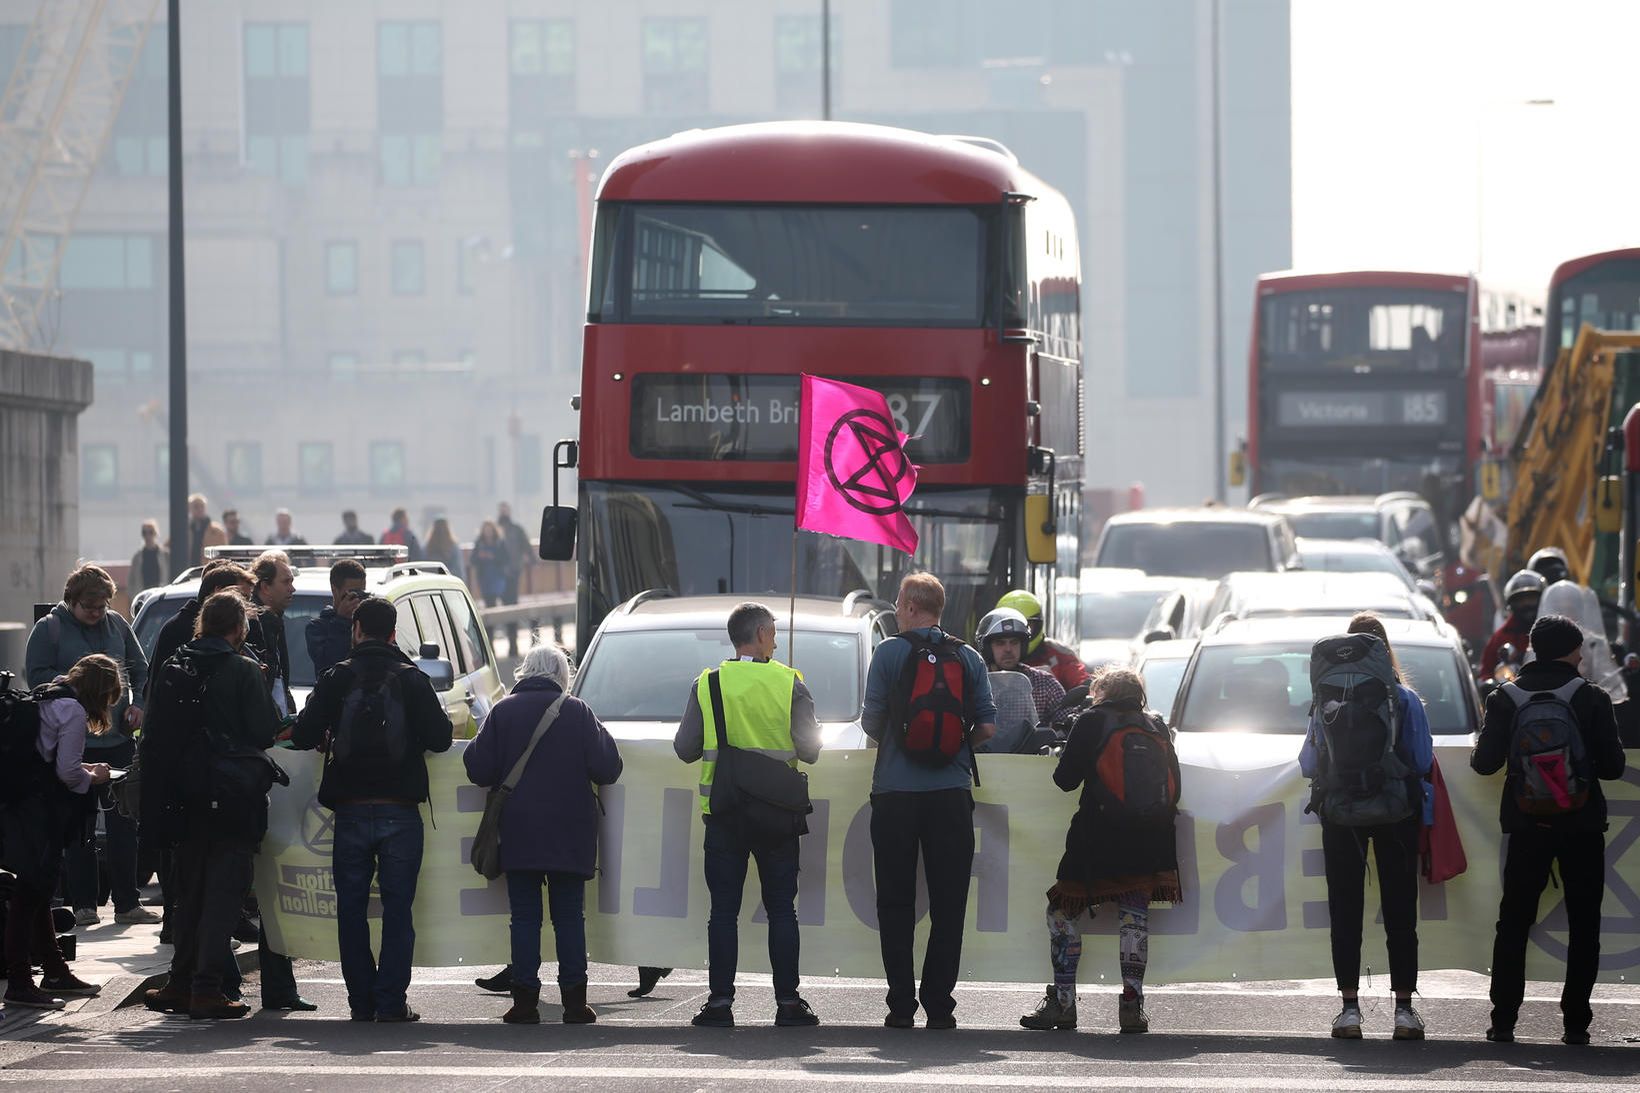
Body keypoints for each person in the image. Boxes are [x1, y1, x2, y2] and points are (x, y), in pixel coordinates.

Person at [290, 595, 452, 1022]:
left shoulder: (337, 676)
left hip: (351, 809)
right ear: (395, 633)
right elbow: (440, 739)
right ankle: (392, 1002)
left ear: (356, 630)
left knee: (352, 909)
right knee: (399, 910)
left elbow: (303, 734)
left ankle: (361, 1002)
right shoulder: (413, 678)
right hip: (400, 811)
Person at [1471, 613, 1625, 1046]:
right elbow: (1612, 768)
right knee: (1584, 923)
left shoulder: (1506, 697)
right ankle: (1576, 1022)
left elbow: (1485, 764)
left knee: (1514, 921)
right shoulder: (1591, 697)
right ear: (1575, 652)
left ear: (1533, 649)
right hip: (1582, 826)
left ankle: (1503, 1020)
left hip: (1525, 824)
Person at [673, 602, 822, 1029]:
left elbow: (685, 749)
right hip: (778, 815)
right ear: (758, 635)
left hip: (725, 813)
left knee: (723, 911)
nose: (775, 640)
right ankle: (788, 1004)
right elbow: (810, 750)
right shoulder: (790, 681)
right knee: (781, 909)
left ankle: (720, 1004)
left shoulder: (708, 683)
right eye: (773, 632)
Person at [863, 574, 996, 1030]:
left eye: (900, 603)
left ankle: (901, 1005)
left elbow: (870, 722)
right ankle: (939, 1005)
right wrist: (953, 748)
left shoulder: (888, 653)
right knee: (949, 902)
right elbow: (988, 727)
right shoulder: (969, 657)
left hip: (895, 794)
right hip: (950, 795)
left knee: (895, 902)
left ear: (913, 607)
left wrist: (902, 742)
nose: (897, 610)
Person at [463, 645, 622, 1024]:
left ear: (525, 671)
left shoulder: (502, 712)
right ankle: (574, 1003)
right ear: (562, 675)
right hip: (570, 830)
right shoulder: (578, 711)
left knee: (524, 917)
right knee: (569, 916)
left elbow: (476, 767)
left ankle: (524, 1002)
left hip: (518, 828)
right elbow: (609, 767)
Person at [140, 592, 281, 1020]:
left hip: (181, 798)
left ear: (202, 624)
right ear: (239, 629)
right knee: (223, 894)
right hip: (231, 795)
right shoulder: (241, 670)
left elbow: (155, 733)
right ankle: (206, 988)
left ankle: (179, 983)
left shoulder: (174, 666)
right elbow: (262, 730)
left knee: (190, 893)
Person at [1020, 667, 1180, 1034]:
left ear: (1101, 691)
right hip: (1150, 840)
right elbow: (1175, 789)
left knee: (1061, 911)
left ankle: (1063, 1004)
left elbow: (1065, 781)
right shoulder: (1156, 726)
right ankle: (1131, 1006)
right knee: (1134, 916)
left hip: (1097, 837)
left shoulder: (1092, 720)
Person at [1299, 612, 1433, 1041]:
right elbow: (1421, 759)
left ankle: (1350, 1009)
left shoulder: (1325, 699)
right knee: (1399, 910)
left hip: (1340, 812)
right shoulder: (1404, 699)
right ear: (1383, 650)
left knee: (1345, 910)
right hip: (1396, 811)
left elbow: (1307, 762)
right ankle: (1404, 1012)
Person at [25, 564, 153, 928]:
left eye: (102, 607)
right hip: (74, 742)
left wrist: (137, 704)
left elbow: (141, 669)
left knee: (124, 823)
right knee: (79, 829)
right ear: (72, 600)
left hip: (118, 739)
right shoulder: (48, 629)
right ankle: (84, 904)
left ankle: (127, 902)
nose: (97, 614)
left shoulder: (118, 625)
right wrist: (74, 687)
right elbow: (36, 678)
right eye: (89, 608)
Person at [2, 654, 119, 1009]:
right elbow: (68, 773)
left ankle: (54, 969)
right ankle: (20, 981)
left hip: (18, 806)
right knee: (29, 896)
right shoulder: (72, 711)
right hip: (41, 814)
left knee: (37, 893)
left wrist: (82, 767)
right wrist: (96, 776)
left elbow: (46, 755)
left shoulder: (46, 694)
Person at [147, 561, 254, 703]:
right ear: (218, 591)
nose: (246, 606)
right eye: (242, 597)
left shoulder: (188, 625)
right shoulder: (182, 628)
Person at [976, 607, 1065, 722]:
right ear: (987, 649)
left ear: (1023, 646)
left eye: (1014, 642)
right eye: (1000, 643)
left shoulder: (1044, 683)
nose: (1008, 649)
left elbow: (1066, 717)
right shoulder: (975, 684)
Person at [995, 589, 1090, 691]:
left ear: (1038, 625)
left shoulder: (1060, 655)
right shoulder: (984, 661)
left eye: (1026, 627)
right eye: (1001, 643)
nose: (1008, 649)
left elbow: (1083, 684)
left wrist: (1085, 692)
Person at [246, 551, 297, 718]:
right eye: (286, 582)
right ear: (265, 587)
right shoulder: (254, 624)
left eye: (292, 582)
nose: (292, 588)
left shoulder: (273, 620)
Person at [306, 559, 368, 680]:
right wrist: (342, 621)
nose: (357, 599)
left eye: (361, 593)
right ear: (334, 590)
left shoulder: (368, 621)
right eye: (352, 593)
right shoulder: (317, 628)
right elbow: (329, 665)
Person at [1481, 570, 1544, 678]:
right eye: (1520, 600)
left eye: (1531, 598)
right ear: (1511, 604)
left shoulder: (1557, 630)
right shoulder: (1500, 637)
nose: (1526, 603)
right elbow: (1486, 674)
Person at [470, 521, 509, 607]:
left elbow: (506, 558)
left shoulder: (499, 542)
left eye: (490, 530)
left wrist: (493, 557)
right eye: (486, 530)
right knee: (488, 600)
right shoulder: (479, 543)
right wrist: (480, 556)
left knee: (497, 597)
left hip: (498, 576)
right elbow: (472, 560)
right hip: (484, 577)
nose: (488, 533)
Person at [185, 493, 227, 569]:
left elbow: (224, 555)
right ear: (189, 509)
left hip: (209, 571)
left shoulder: (217, 531)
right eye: (196, 506)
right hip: (188, 571)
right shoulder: (184, 530)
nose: (200, 509)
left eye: (202, 506)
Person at [129, 519, 169, 597]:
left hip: (161, 595)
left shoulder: (165, 555)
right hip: (143, 595)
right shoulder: (137, 557)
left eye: (150, 532)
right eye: (144, 533)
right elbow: (131, 581)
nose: (147, 536)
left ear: (156, 533)